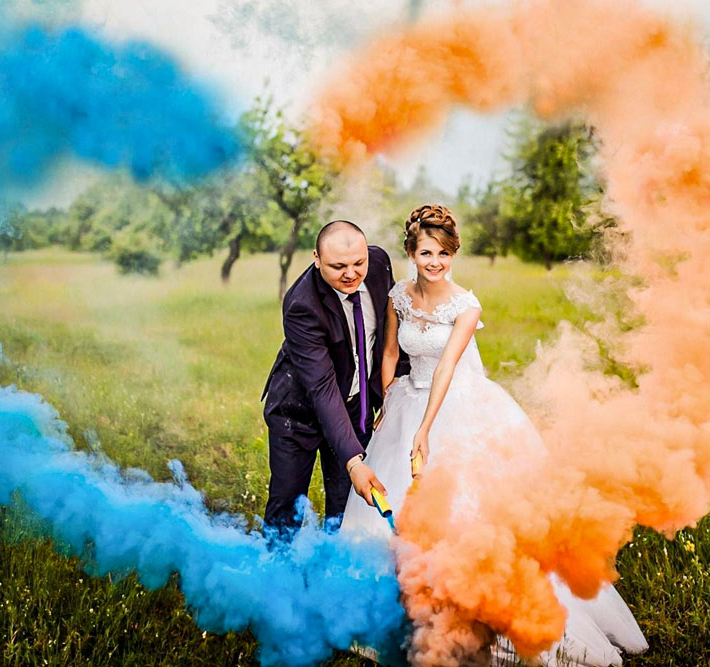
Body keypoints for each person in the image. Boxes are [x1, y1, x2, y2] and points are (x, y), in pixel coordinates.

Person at [341, 204, 648, 666]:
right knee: (394, 506)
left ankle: (484, 614)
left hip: (454, 405)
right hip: (408, 400)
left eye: (444, 253)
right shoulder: (398, 296)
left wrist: (424, 428)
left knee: (462, 509)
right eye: (426, 253)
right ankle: (393, 616)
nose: (435, 262)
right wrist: (389, 400)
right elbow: (389, 353)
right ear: (411, 253)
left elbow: (445, 368)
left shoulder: (466, 305)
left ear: (453, 254)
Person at [261, 220, 405, 536]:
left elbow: (392, 332)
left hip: (354, 407)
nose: (351, 274)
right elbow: (322, 388)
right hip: (298, 414)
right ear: (317, 258)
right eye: (338, 266)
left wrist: (396, 392)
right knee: (287, 506)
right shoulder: (301, 305)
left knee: (346, 506)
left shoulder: (378, 264)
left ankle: (336, 563)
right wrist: (353, 461)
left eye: (358, 263)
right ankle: (276, 564)